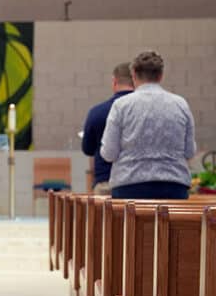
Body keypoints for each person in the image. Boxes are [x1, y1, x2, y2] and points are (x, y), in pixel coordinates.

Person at [101, 51, 196, 199]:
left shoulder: (121, 105)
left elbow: (109, 153)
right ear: (161, 75)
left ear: (134, 75)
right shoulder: (180, 104)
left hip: (129, 186)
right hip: (173, 186)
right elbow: (189, 152)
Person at [81, 62, 134, 194]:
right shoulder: (146, 111)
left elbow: (87, 149)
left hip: (106, 181)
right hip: (137, 182)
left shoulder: (97, 112)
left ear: (114, 81)